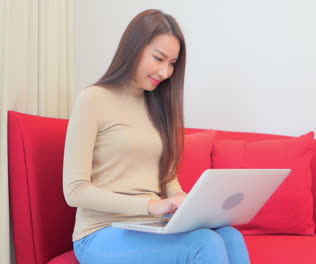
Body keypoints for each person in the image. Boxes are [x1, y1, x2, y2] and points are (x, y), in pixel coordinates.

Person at [63, 9, 250, 264]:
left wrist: (185, 203)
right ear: (134, 48)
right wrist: (150, 205)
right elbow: (75, 191)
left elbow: (167, 178)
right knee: (203, 244)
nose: (165, 72)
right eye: (159, 58)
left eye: (172, 63)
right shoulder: (93, 99)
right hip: (100, 233)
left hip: (149, 226)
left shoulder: (157, 105)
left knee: (230, 236)